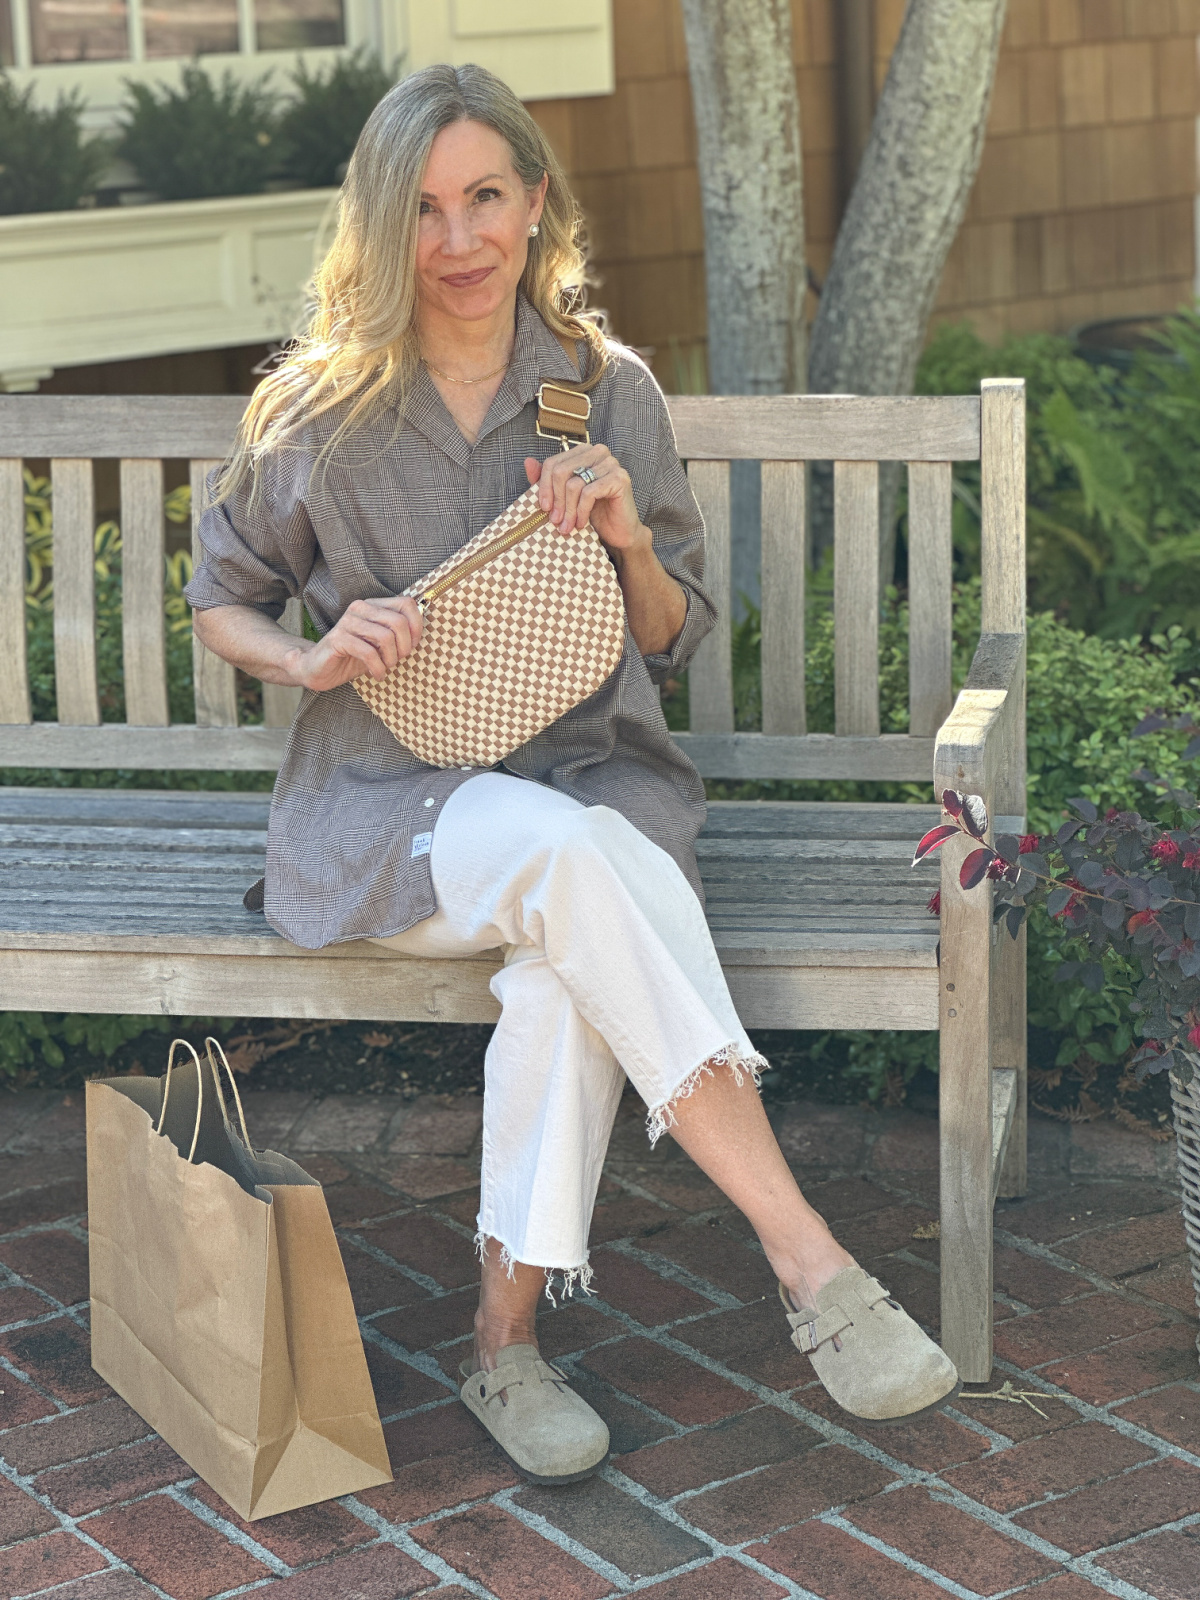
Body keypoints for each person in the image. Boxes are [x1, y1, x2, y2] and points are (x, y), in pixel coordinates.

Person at [186, 62, 958, 1487]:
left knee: (567, 953)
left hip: (595, 790)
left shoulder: (600, 395)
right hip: (390, 817)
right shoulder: (321, 412)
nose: (461, 239)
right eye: (423, 209)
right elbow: (220, 598)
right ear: (380, 222)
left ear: (538, 202)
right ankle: (808, 1259)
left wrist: (624, 539)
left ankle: (503, 1345)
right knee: (565, 864)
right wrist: (308, 658)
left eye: (487, 197)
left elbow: (667, 643)